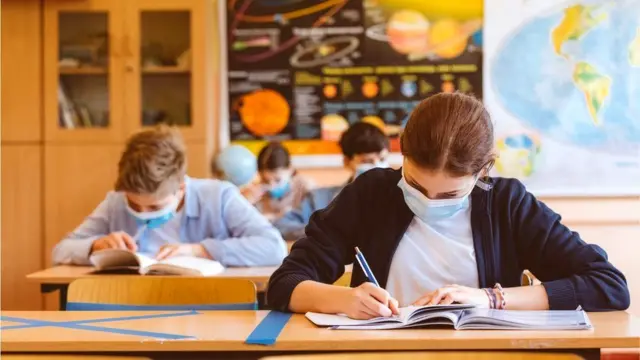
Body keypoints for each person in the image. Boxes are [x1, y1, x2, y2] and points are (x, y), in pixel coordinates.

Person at [267, 93, 630, 318]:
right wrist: (342, 300)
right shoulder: (371, 193)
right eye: (414, 185)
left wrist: (491, 299)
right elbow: (285, 284)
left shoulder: (507, 203)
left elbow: (608, 286)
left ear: (483, 172)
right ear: (402, 156)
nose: (427, 201)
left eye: (449, 195)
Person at [52, 125, 287, 267]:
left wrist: (199, 250)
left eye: (154, 207)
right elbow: (61, 250)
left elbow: (273, 247)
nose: (142, 214)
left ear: (181, 187)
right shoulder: (115, 202)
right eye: (134, 204)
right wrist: (95, 245)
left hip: (208, 312)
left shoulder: (219, 196)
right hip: (132, 310)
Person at [274, 122, 390, 239]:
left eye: (382, 159)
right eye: (367, 161)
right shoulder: (318, 198)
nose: (377, 166)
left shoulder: (401, 195)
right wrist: (324, 231)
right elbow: (281, 226)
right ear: (347, 161)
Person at [244, 142, 314, 222]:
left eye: (277, 180)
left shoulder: (306, 188)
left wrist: (276, 217)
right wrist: (245, 202)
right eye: (266, 181)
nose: (272, 186)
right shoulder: (257, 194)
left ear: (290, 169)